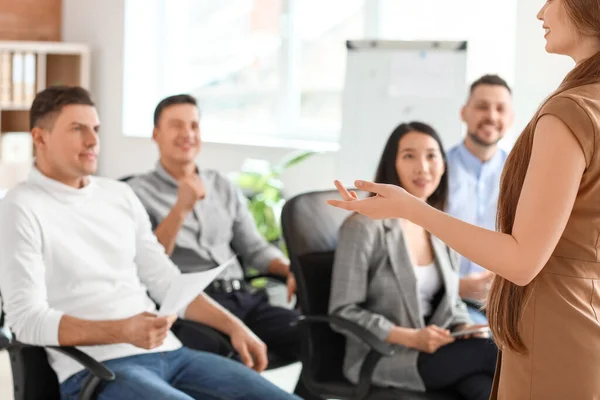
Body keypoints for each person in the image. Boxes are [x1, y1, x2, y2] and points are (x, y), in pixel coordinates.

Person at [327, 0, 600, 398]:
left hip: (554, 322)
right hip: (584, 315)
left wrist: (409, 208)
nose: (540, 13)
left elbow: (522, 261)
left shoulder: (570, 111)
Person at [0, 86, 300, 400]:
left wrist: (234, 326)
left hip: (173, 355)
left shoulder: (118, 195)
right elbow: (26, 321)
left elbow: (166, 281)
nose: (93, 141)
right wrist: (121, 330)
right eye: (77, 129)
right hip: (99, 369)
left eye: (96, 129)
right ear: (40, 138)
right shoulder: (21, 207)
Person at [126, 94, 317, 399]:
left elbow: (254, 247)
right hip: (196, 307)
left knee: (318, 340)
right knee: (220, 368)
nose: (187, 134)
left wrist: (288, 268)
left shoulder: (222, 185)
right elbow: (147, 263)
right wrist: (180, 209)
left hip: (244, 298)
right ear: (155, 134)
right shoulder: (135, 192)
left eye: (194, 125)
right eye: (176, 125)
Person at [329, 122, 497, 400]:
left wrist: (463, 327)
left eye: (432, 155)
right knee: (496, 353)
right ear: (391, 164)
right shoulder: (363, 227)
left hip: (440, 349)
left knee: (485, 390)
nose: (423, 167)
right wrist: (411, 337)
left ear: (444, 165)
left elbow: (451, 300)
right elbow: (342, 311)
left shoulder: (438, 224)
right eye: (409, 155)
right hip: (389, 355)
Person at [446, 74, 514, 324]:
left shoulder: (523, 173)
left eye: (500, 109)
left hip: (505, 300)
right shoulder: (435, 171)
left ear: (511, 118)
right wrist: (456, 286)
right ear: (464, 112)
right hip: (446, 300)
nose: (492, 116)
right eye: (482, 106)